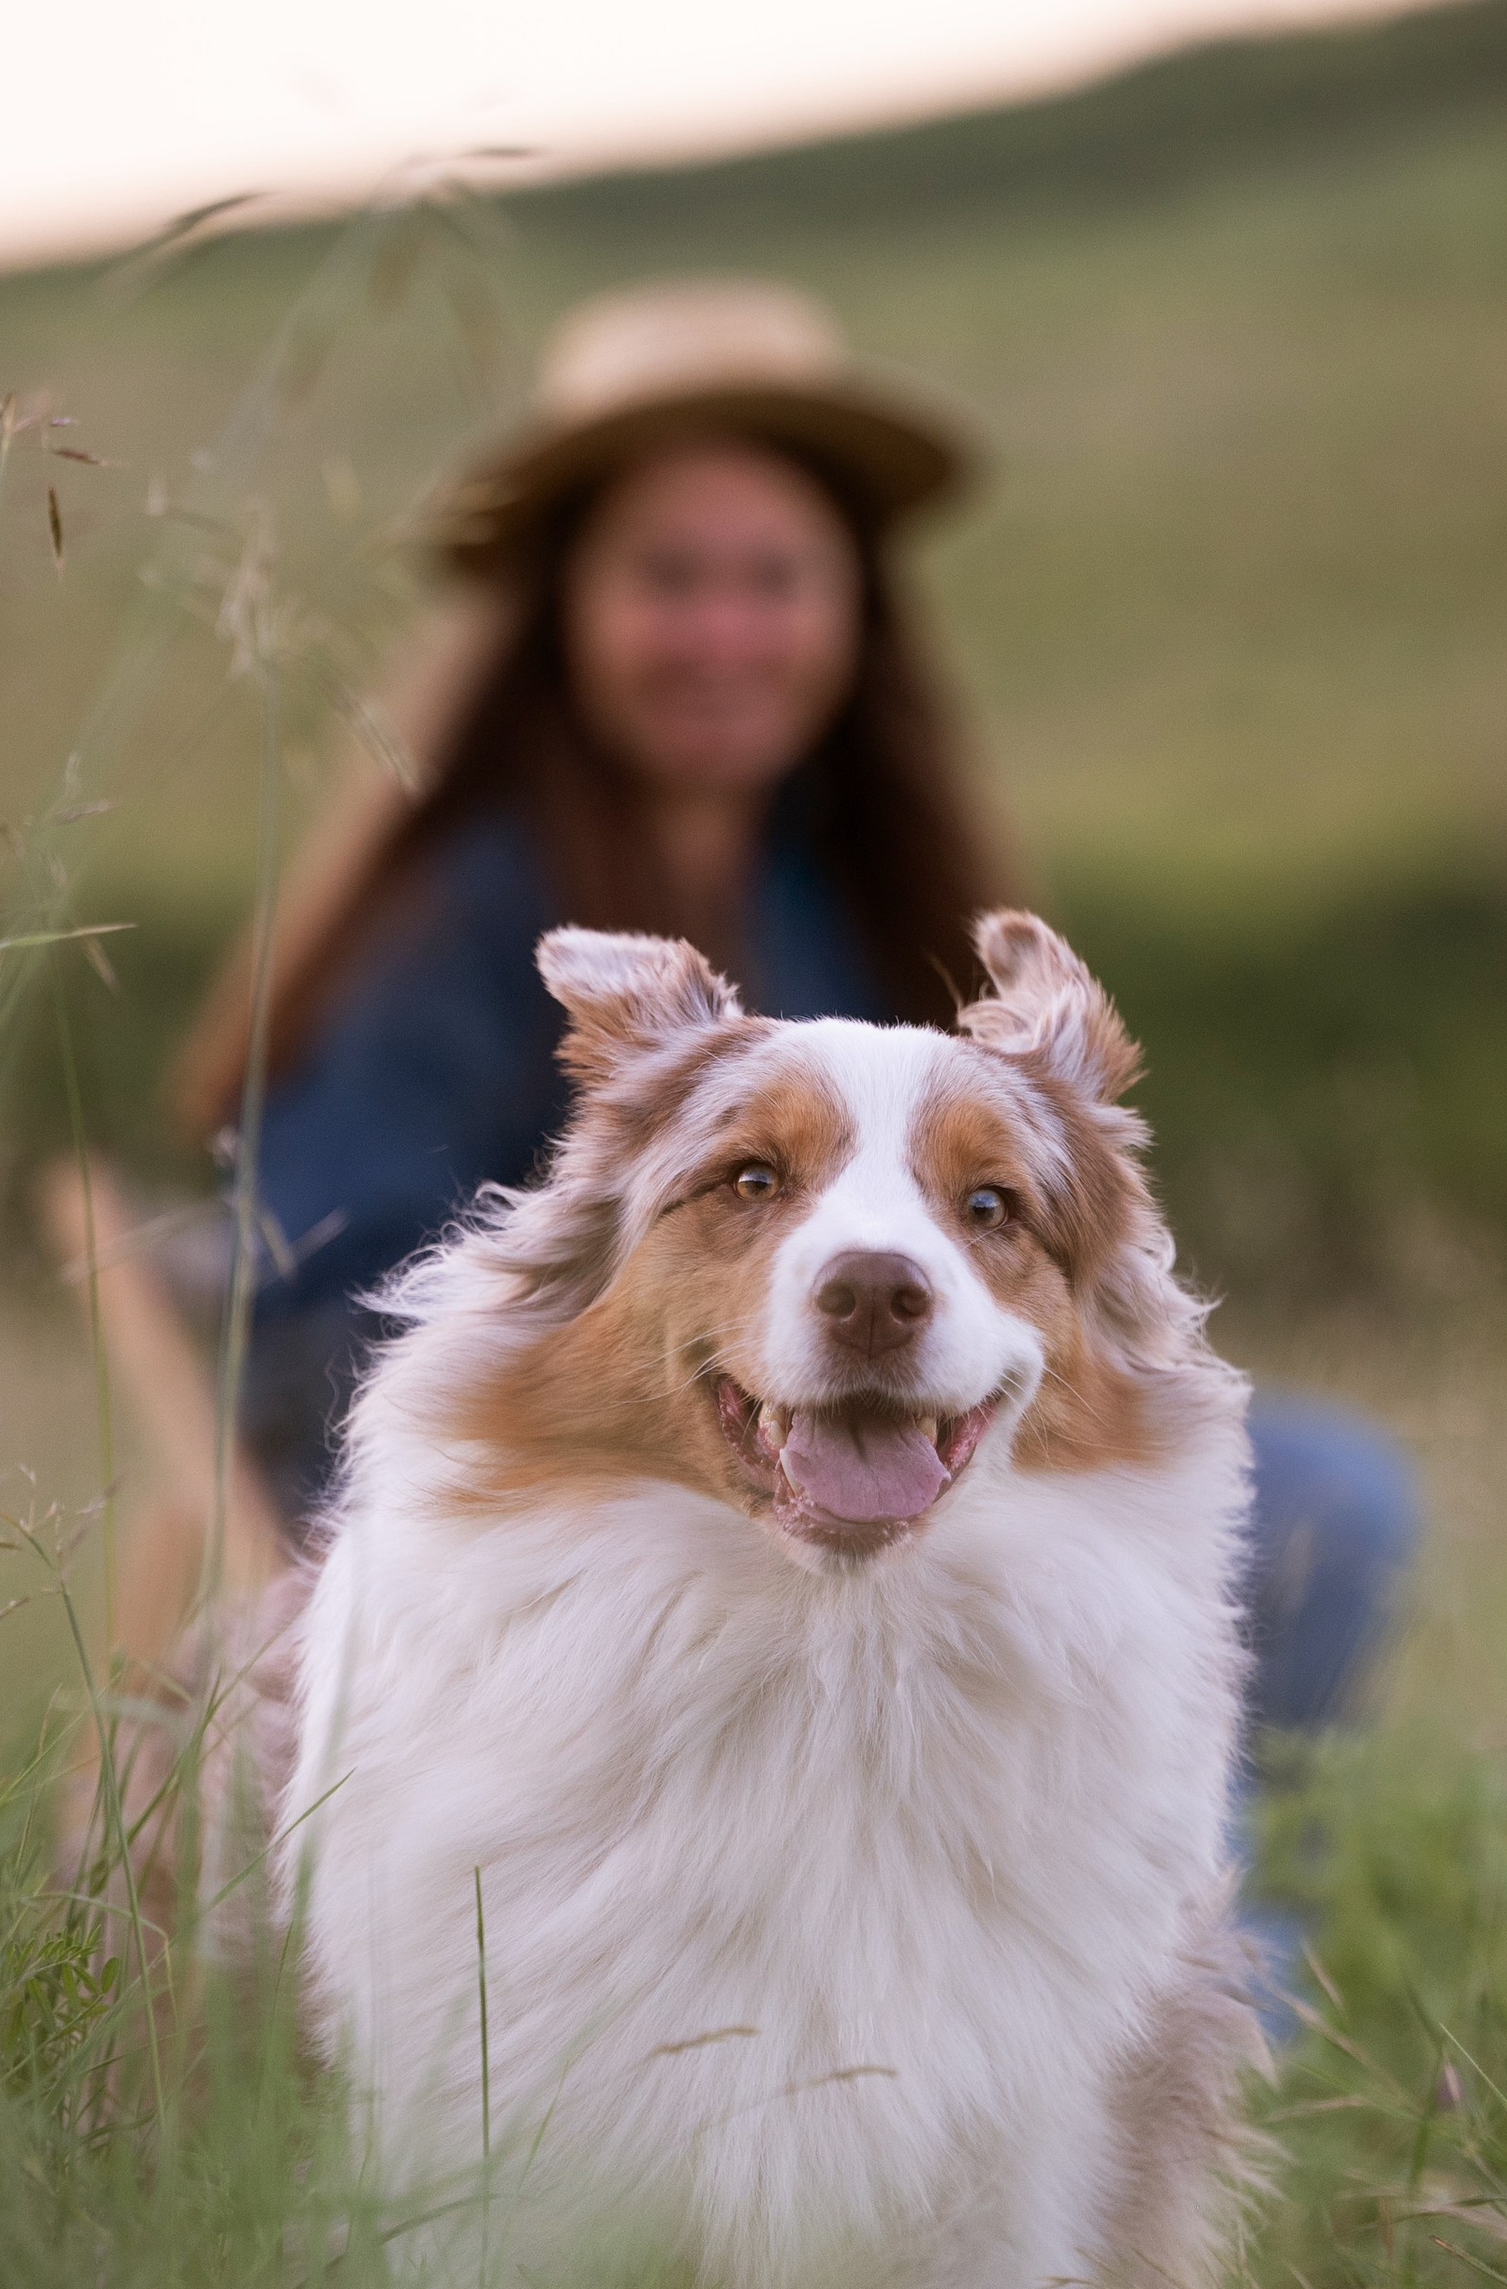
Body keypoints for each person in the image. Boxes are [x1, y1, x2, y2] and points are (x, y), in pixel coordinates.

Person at [171, 277, 1416, 1818]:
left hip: (854, 1420)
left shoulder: (852, 887)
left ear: (853, 611)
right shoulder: (460, 913)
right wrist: (656, 1349)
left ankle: (1198, 1933)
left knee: (1329, 1503)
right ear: (564, 607)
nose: (725, 632)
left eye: (776, 579)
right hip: (551, 1512)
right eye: (668, 578)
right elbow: (313, 1299)